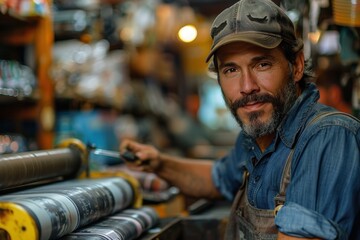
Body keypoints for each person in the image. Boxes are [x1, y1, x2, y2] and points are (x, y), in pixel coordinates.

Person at [120, 0, 360, 239]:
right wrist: (158, 163)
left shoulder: (328, 137)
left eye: (262, 64)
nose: (247, 87)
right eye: (231, 70)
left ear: (296, 66)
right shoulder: (257, 138)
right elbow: (218, 179)